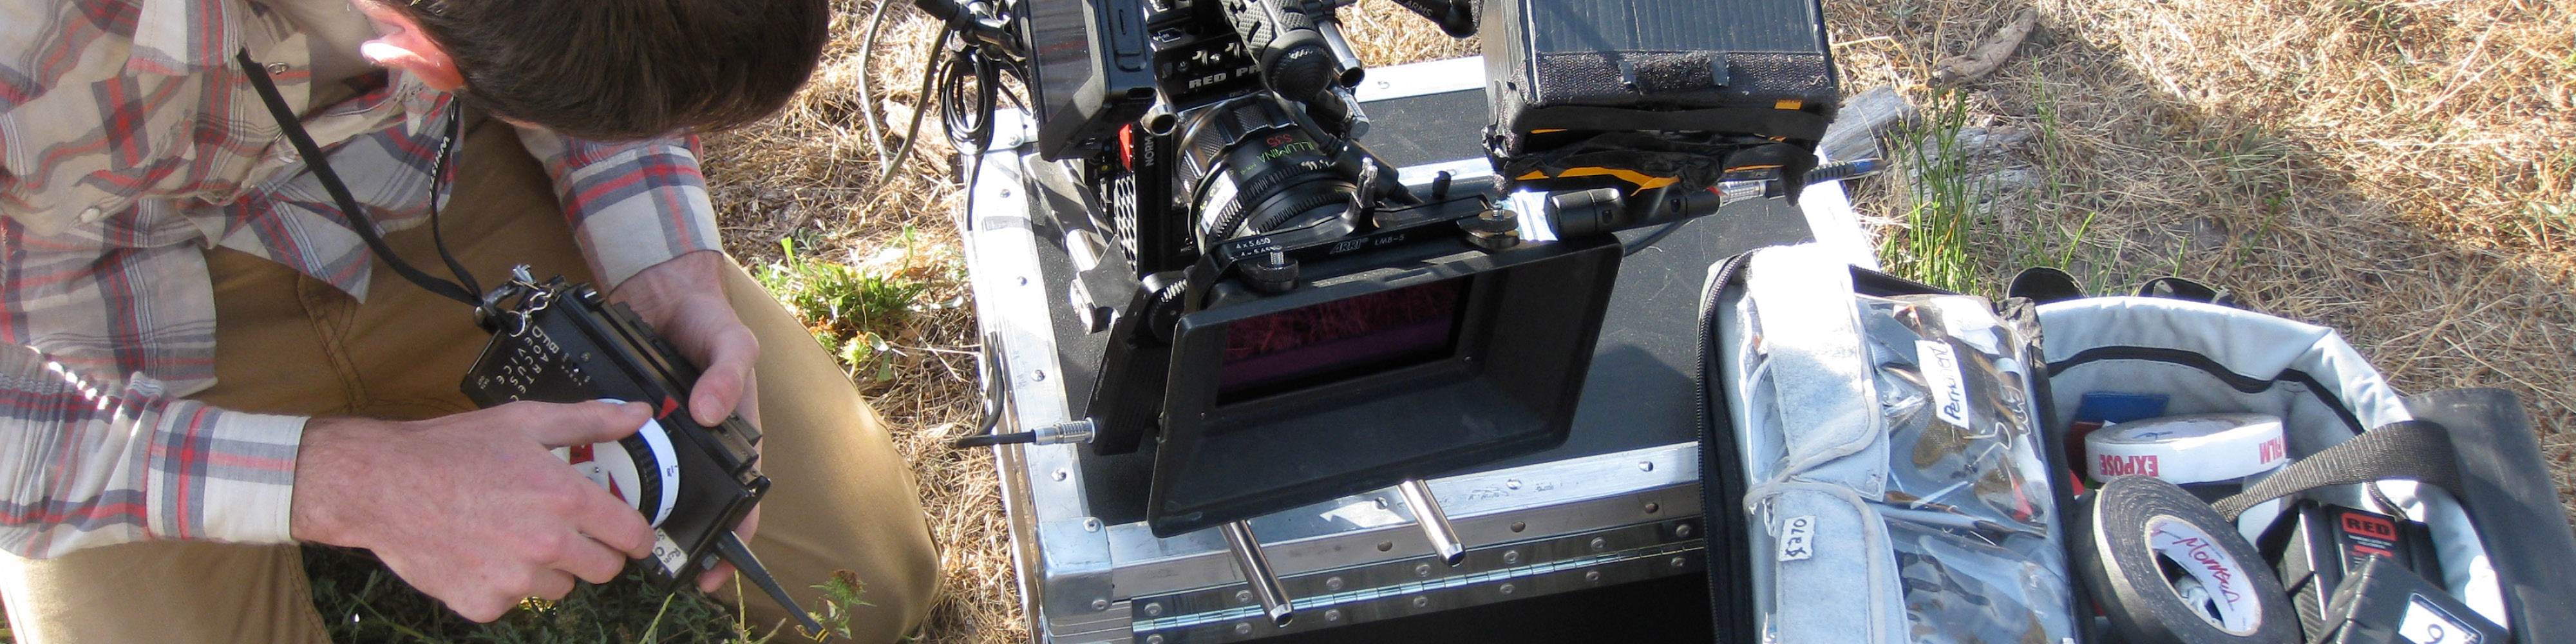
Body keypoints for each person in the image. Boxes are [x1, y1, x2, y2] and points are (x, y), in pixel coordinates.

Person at [0, 0, 940, 641]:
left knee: (868, 586)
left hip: (447, 201)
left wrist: (668, 272)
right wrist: (354, 484)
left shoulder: (479, 46)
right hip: (91, 315)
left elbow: (599, 39)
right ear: (418, 58)